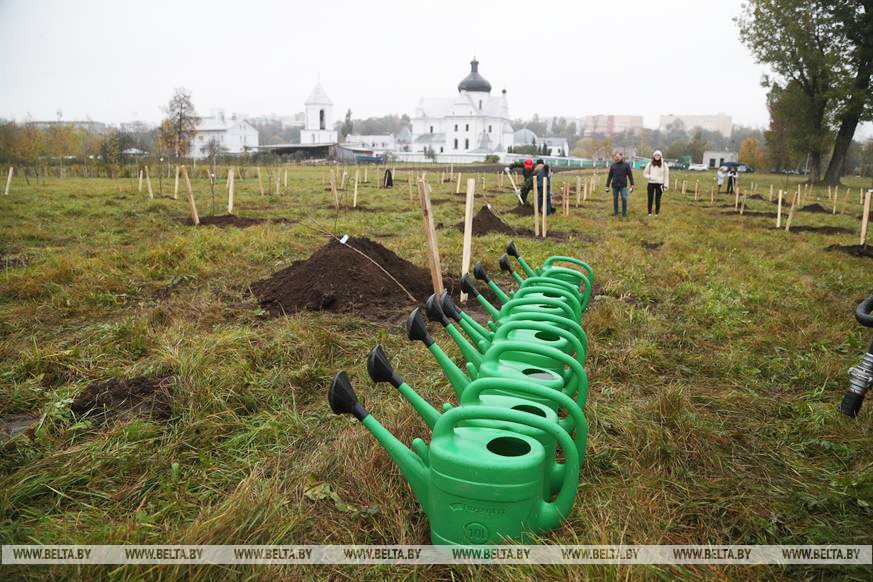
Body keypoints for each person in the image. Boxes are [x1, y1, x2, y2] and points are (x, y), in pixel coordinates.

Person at [605, 151, 634, 217]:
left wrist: (632, 184)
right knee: (615, 199)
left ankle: (624, 213)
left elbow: (630, 175)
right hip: (614, 185)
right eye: (615, 157)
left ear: (621, 157)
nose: (616, 158)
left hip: (623, 185)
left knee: (624, 198)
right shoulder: (613, 166)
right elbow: (610, 176)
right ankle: (616, 213)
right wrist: (607, 186)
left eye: (618, 157)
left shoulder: (626, 165)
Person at [643, 150, 669, 216]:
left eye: (658, 155)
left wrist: (665, 185)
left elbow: (666, 176)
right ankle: (649, 212)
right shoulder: (650, 164)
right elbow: (645, 173)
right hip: (651, 183)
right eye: (656, 155)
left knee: (658, 199)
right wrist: (650, 177)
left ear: (661, 156)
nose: (657, 156)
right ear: (654, 156)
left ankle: (657, 213)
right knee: (650, 198)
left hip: (660, 184)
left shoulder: (664, 165)